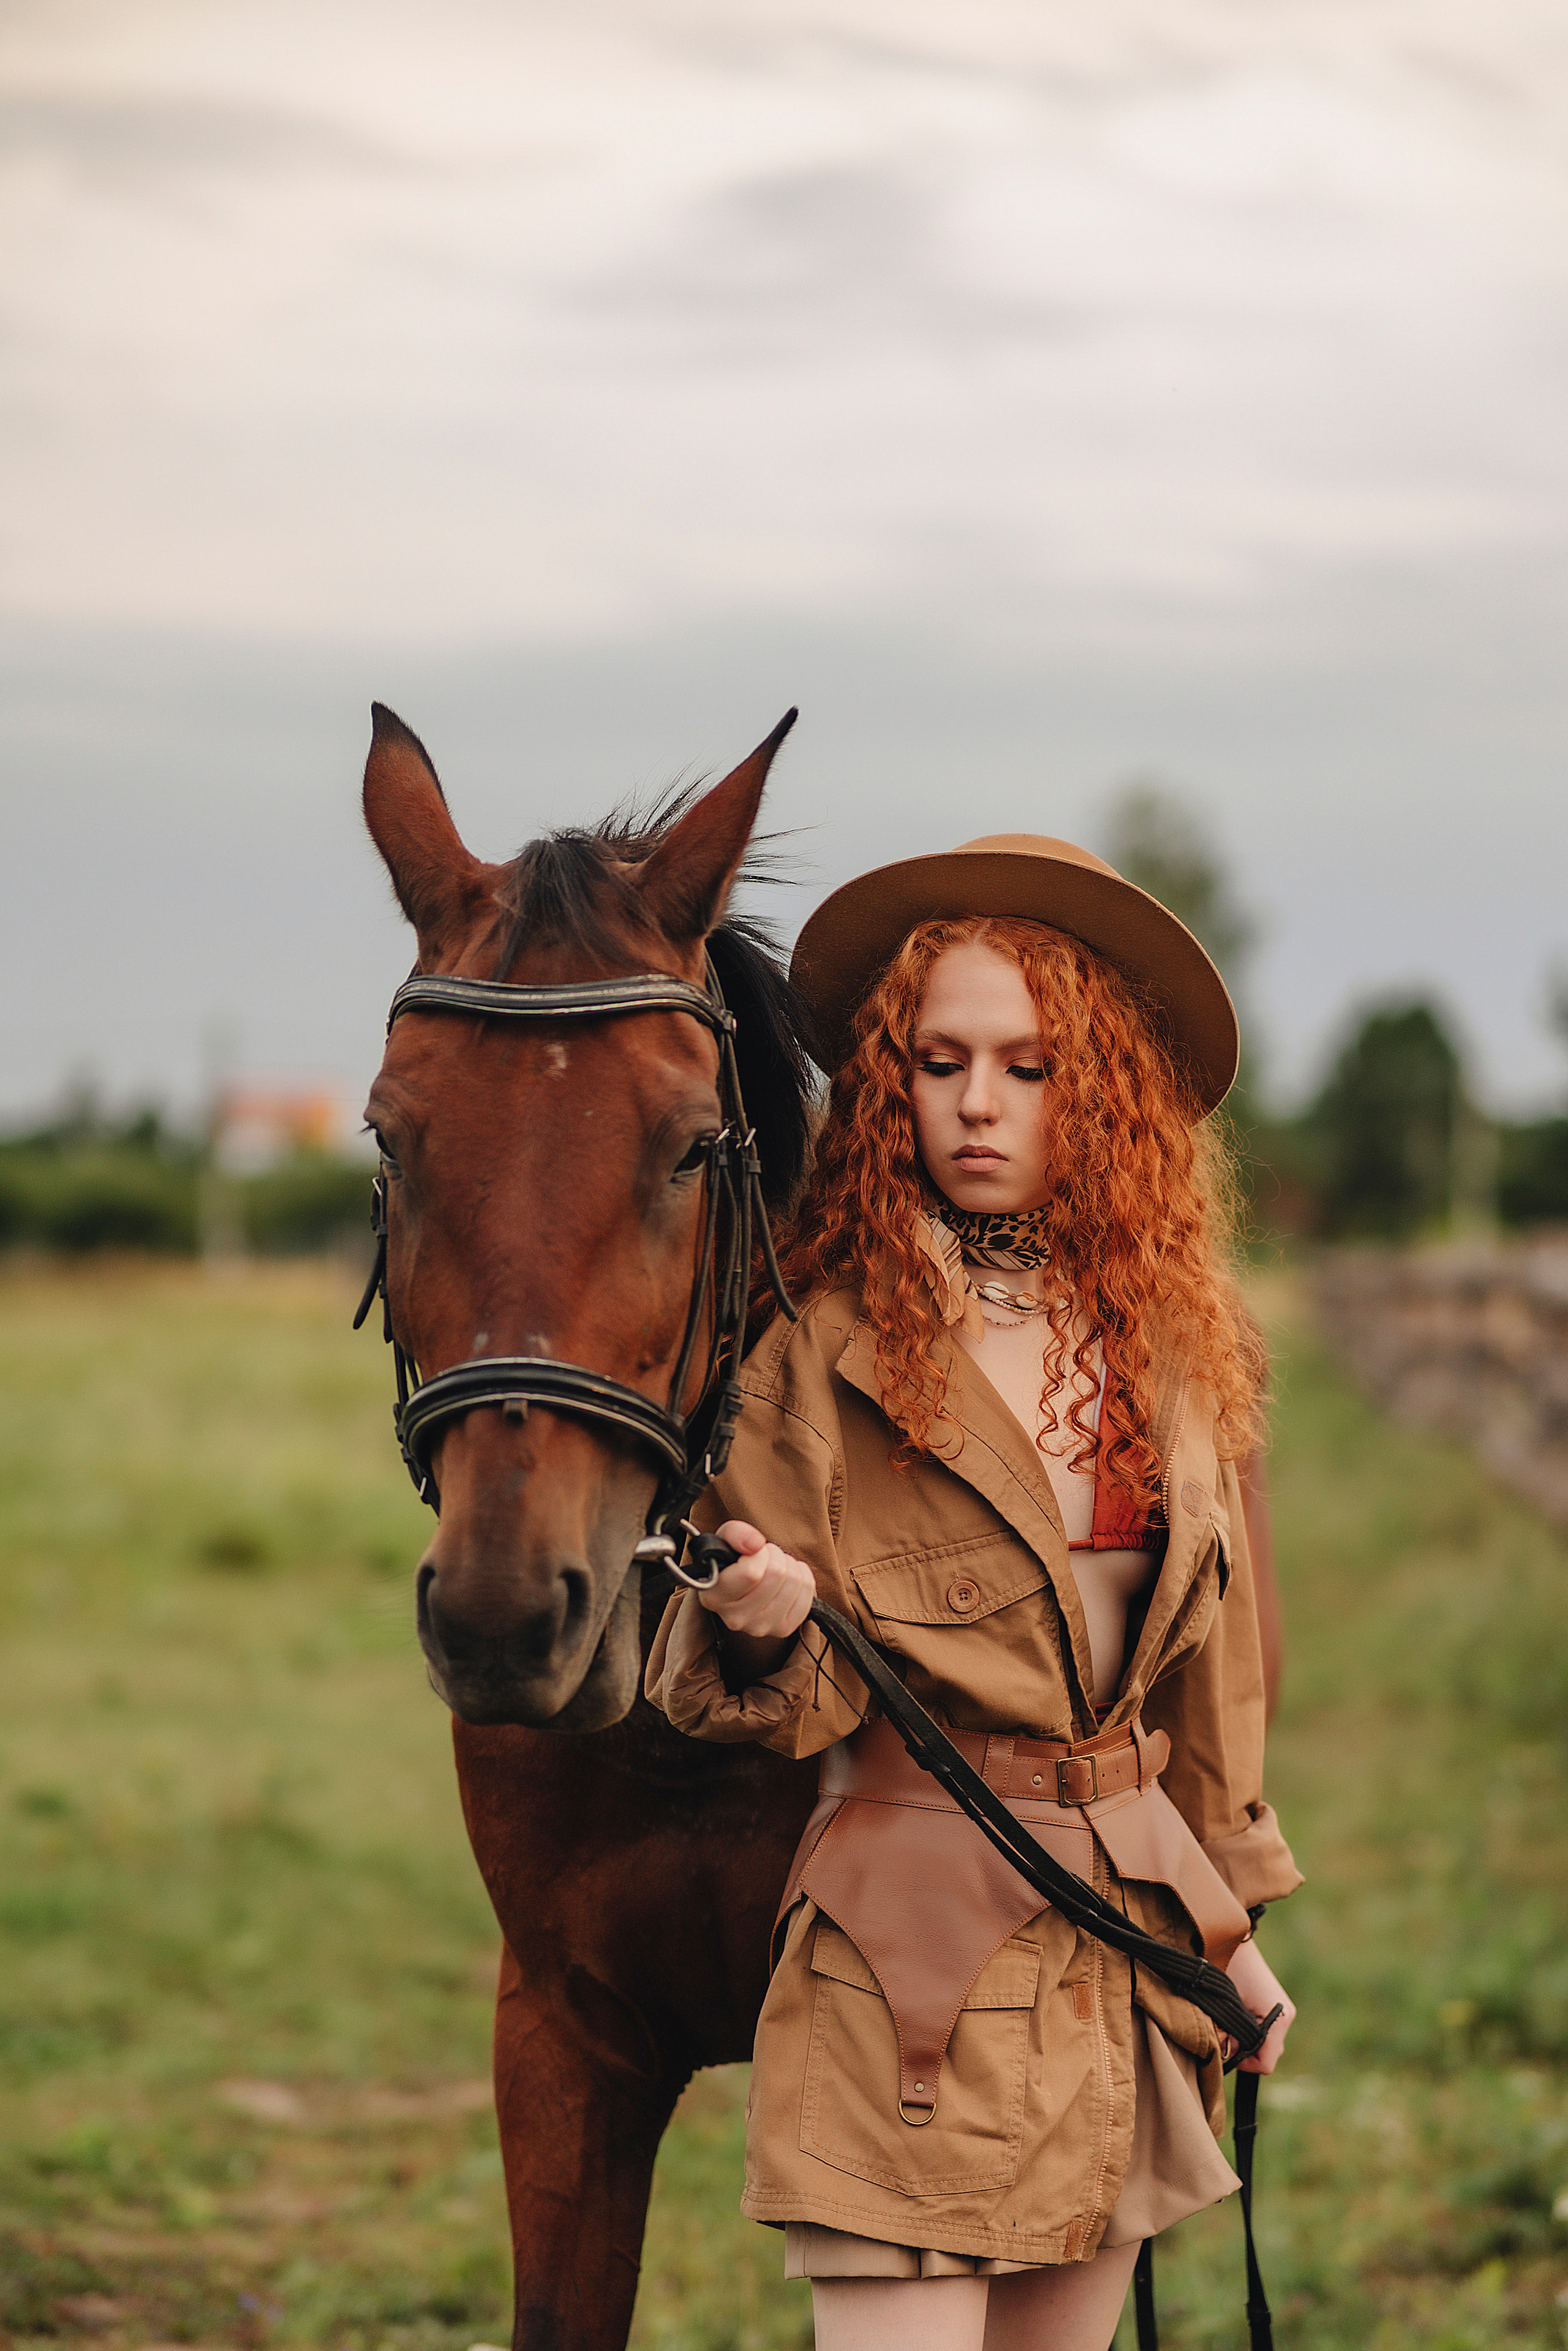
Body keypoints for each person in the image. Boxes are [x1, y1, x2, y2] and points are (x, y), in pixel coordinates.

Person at [646, 833, 1302, 2351]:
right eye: (940, 1062)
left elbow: (1201, 1687)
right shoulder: (823, 1354)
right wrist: (753, 1623)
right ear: (894, 1086)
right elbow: (775, 1692)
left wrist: (1226, 1934)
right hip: (909, 1966)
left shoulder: (1169, 1349)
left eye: (1029, 1063)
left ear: (1106, 1092)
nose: (980, 1102)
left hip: (1114, 1957)